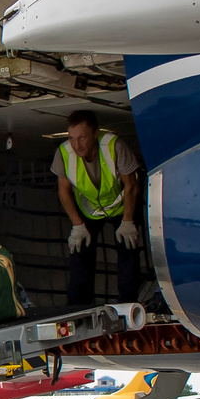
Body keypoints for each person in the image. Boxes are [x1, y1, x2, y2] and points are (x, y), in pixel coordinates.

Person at [53, 109, 145, 308]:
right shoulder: (64, 153)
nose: (76, 145)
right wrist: (77, 226)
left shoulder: (115, 146)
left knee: (128, 250)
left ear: (95, 133)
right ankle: (78, 307)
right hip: (90, 209)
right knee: (80, 253)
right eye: (72, 138)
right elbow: (63, 192)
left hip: (121, 206)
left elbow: (131, 186)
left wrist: (128, 221)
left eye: (82, 138)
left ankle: (127, 305)